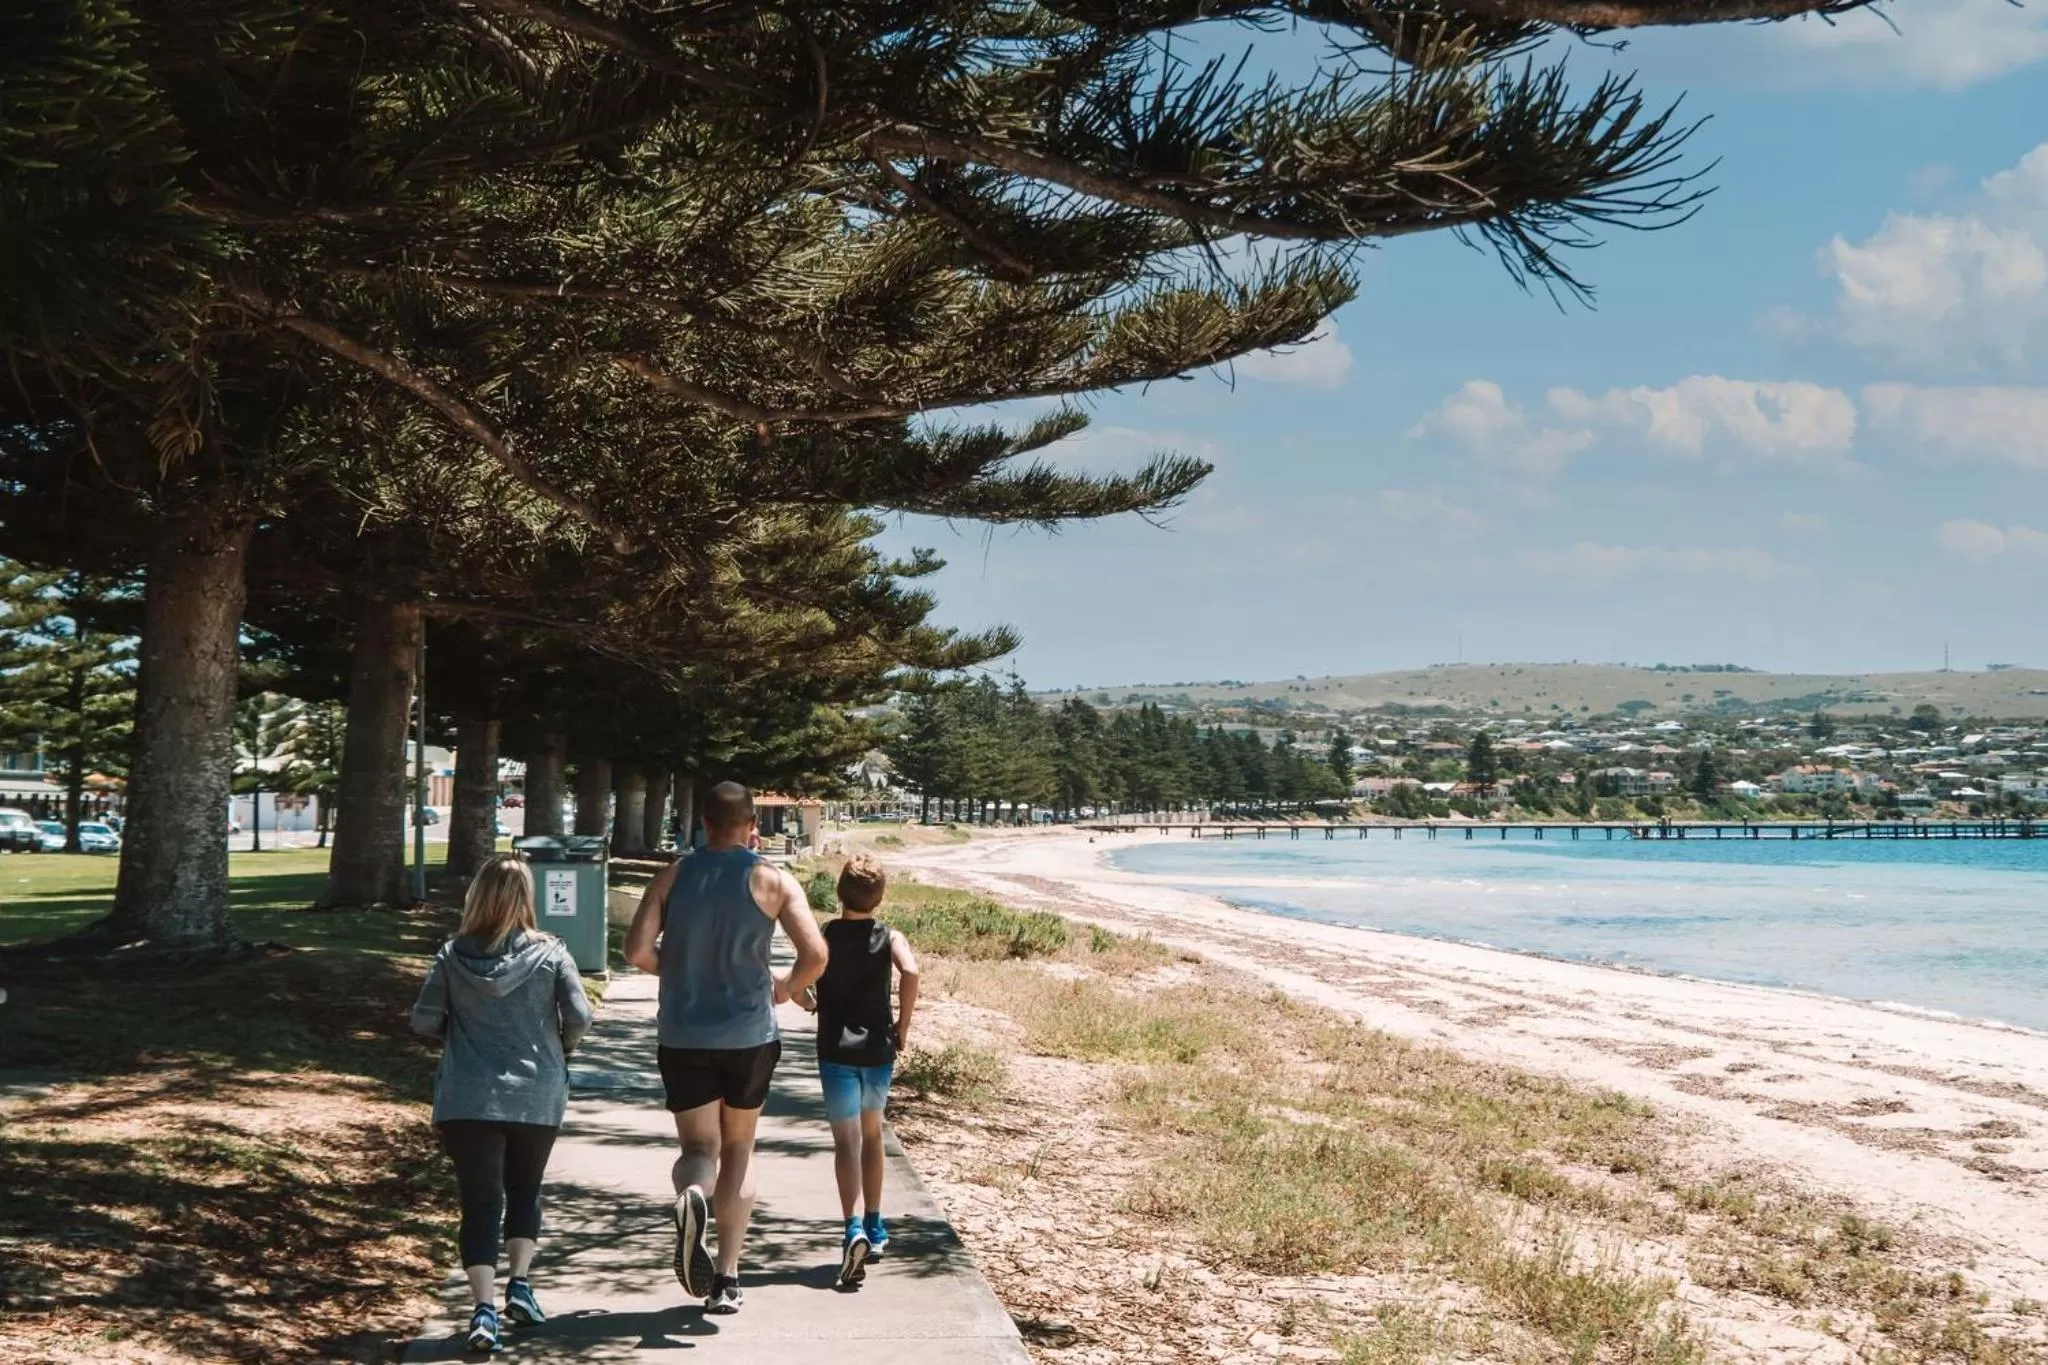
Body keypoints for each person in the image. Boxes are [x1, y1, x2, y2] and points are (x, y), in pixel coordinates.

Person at [623, 780, 828, 1314]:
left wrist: (685, 967)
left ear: (705, 822)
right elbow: (817, 954)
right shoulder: (772, 878)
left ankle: (692, 1198)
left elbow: (637, 951)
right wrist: (782, 989)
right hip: (749, 1036)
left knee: (697, 1151)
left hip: (684, 1034)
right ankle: (728, 1279)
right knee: (738, 1148)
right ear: (752, 824)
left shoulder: (673, 874)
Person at [410, 854, 593, 1353]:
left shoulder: (451, 955)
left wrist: (460, 1034)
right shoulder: (552, 953)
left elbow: (423, 1020)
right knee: (525, 1187)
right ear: (526, 897)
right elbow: (579, 1015)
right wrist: (560, 1047)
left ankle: (483, 1309)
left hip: (468, 1096)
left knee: (480, 1200)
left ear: (478, 896)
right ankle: (521, 1285)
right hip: (537, 1091)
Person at [802, 852, 919, 1288]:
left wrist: (811, 1002)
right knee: (873, 1135)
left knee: (846, 1142)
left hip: (835, 1051)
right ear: (881, 895)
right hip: (877, 1052)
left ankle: (852, 1227)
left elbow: (799, 980)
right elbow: (912, 972)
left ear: (840, 893)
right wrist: (902, 1027)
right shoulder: (891, 936)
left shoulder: (826, 934)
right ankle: (875, 1224)